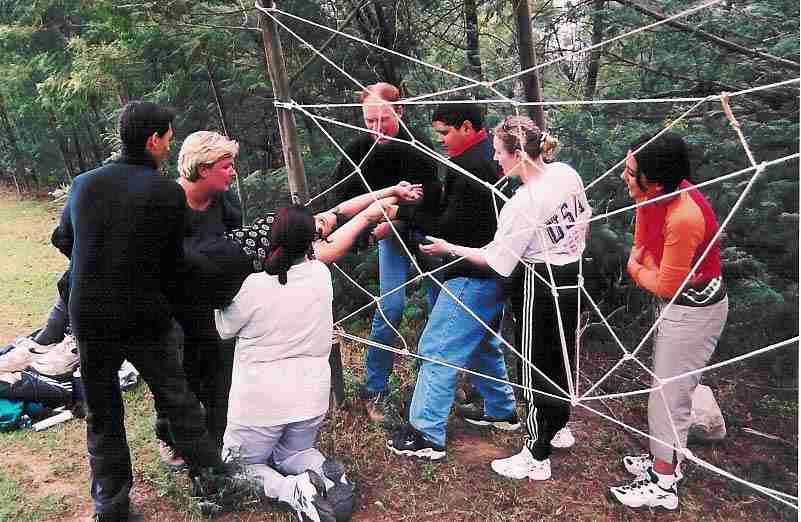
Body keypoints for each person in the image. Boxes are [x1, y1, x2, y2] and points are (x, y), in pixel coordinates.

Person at [52, 101, 245, 521]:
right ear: (154, 140)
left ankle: (111, 506)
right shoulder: (164, 192)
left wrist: (98, 260)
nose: (168, 146)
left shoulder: (84, 183)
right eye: (168, 138)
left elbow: (62, 238)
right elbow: (172, 263)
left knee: (102, 412)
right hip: (143, 314)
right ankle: (213, 483)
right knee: (178, 400)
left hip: (89, 314)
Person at [419, 115, 591, 480]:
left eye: (499, 153)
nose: (495, 159)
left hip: (539, 281)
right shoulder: (565, 173)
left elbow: (496, 261)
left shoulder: (523, 202)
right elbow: (583, 218)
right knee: (561, 358)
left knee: (533, 366)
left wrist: (449, 248)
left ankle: (536, 454)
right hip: (571, 274)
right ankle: (556, 429)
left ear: (518, 154)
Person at [386, 103, 519, 461]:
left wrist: (402, 211)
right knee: (480, 343)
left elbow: (450, 227)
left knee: (438, 347)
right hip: (497, 272)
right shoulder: (488, 158)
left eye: (445, 133)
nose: (441, 140)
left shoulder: (472, 165)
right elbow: (457, 214)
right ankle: (501, 411)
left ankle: (426, 434)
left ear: (466, 127)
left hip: (472, 273)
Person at [608, 131, 728, 510]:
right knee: (665, 389)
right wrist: (644, 261)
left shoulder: (684, 215)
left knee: (668, 395)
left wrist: (634, 268)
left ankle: (663, 483)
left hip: (695, 312)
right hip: (681, 306)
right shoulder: (653, 194)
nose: (624, 177)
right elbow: (642, 240)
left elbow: (665, 285)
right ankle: (665, 459)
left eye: (631, 172)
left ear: (655, 179)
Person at [215, 205, 354, 522]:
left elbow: (224, 329)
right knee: (293, 452)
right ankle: (324, 472)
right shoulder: (321, 275)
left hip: (260, 404)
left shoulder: (254, 286)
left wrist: (219, 297)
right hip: (312, 397)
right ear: (310, 241)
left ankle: (293, 490)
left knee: (237, 466)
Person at [333, 82, 441, 423]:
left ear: (401, 111)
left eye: (384, 120)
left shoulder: (419, 147)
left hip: (426, 234)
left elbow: (434, 205)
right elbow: (340, 206)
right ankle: (374, 389)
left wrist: (395, 218)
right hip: (387, 235)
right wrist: (370, 227)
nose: (377, 129)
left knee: (441, 309)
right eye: (369, 121)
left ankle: (436, 382)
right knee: (391, 305)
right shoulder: (357, 151)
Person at [154, 131, 250, 470]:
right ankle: (168, 436)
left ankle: (217, 442)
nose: (232, 172)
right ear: (203, 168)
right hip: (174, 310)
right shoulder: (166, 202)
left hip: (216, 306)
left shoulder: (225, 202)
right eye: (226, 166)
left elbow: (240, 247)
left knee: (221, 376)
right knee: (179, 377)